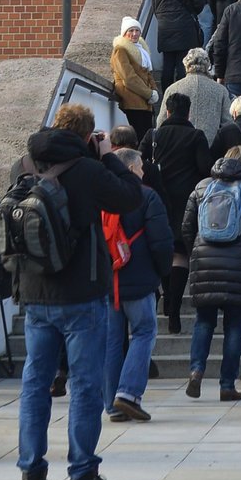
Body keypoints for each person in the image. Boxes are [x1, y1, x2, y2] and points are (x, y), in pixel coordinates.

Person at [14, 103, 142, 480]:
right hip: (82, 294)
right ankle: (82, 473)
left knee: (35, 383)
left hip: (35, 292)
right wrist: (107, 157)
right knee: (85, 386)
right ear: (88, 136)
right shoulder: (89, 170)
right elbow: (130, 196)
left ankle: (32, 474)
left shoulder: (25, 163)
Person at [182, 145, 241, 401]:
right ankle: (227, 384)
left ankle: (196, 371)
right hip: (239, 264)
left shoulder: (202, 187)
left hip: (204, 262)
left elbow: (187, 227)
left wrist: (196, 252)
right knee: (234, 325)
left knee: (203, 321)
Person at [103, 147, 172, 421]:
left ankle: (110, 403)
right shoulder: (146, 196)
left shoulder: (101, 198)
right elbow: (160, 240)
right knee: (144, 332)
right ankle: (128, 393)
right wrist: (162, 272)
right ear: (131, 169)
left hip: (108, 280)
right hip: (139, 278)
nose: (144, 171)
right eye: (141, 167)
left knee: (111, 340)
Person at [141, 91, 212, 334]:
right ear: (188, 112)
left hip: (157, 202)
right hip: (185, 202)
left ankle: (166, 298)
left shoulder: (154, 135)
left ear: (167, 111)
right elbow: (205, 168)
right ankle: (174, 308)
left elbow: (140, 163)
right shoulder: (196, 136)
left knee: (162, 250)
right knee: (181, 254)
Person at [151, 0, 206, 93]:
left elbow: (154, 3)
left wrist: (163, 17)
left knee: (168, 64)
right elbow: (199, 1)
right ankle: (184, 95)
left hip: (165, 25)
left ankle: (167, 96)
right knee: (183, 63)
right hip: (185, 24)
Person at [162, 47, 232, 144]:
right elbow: (228, 123)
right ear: (207, 65)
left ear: (186, 64)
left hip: (179, 146)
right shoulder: (220, 90)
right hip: (210, 146)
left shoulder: (173, 89)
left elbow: (162, 121)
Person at [110, 20, 158, 143]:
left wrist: (154, 90)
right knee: (140, 139)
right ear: (124, 33)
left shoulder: (141, 50)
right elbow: (129, 78)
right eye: (131, 30)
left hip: (145, 102)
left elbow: (148, 74)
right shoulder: (120, 50)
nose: (134, 33)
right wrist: (149, 93)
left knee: (147, 138)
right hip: (132, 101)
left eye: (137, 30)